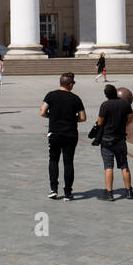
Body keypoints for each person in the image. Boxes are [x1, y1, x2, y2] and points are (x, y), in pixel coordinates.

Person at [39, 72, 86, 201]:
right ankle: (68, 192)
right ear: (70, 84)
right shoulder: (75, 98)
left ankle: (53, 189)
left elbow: (42, 112)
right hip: (70, 134)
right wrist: (71, 119)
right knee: (68, 162)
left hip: (54, 134)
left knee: (53, 160)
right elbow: (83, 118)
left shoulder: (51, 95)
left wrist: (52, 116)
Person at [92, 84, 133, 200]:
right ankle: (129, 192)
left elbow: (100, 122)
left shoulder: (105, 105)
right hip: (120, 139)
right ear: (116, 93)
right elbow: (130, 118)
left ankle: (109, 193)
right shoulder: (125, 104)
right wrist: (123, 124)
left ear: (106, 95)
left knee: (108, 166)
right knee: (124, 165)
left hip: (107, 139)